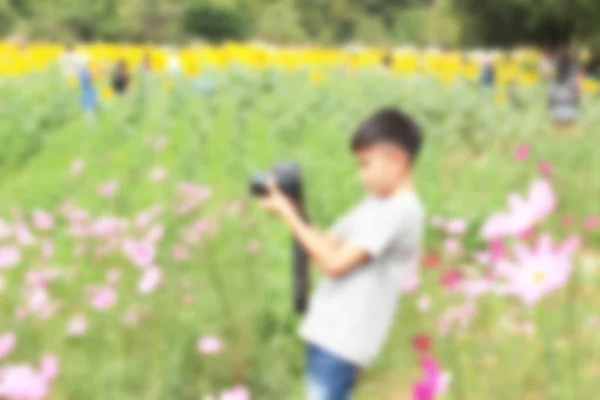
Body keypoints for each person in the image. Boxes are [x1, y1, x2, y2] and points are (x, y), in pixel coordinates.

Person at [259, 109, 425, 400]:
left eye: (365, 164)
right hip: (328, 332)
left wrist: (288, 214)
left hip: (344, 340)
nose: (361, 175)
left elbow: (333, 263)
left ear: (397, 161)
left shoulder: (401, 211)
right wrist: (294, 205)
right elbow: (326, 242)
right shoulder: (376, 204)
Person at [548, 49, 581, 129]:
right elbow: (576, 93)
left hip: (558, 106)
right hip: (568, 105)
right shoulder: (572, 77)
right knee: (568, 128)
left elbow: (551, 93)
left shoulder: (555, 78)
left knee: (558, 128)